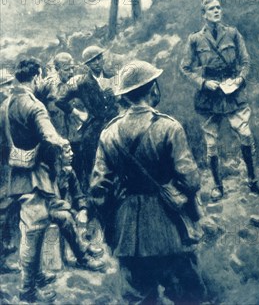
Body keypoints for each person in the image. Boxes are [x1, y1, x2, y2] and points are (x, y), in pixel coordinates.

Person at [90, 60, 206, 304]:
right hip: (169, 229)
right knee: (189, 295)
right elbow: (190, 179)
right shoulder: (168, 127)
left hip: (128, 232)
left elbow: (98, 189)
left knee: (138, 298)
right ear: (152, 88)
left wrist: (112, 225)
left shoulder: (108, 133)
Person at [180, 0, 259, 201]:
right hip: (209, 96)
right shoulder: (195, 39)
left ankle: (253, 180)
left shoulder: (233, 33)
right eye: (211, 9)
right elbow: (185, 67)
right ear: (204, 14)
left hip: (233, 92)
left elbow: (246, 61)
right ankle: (218, 186)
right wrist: (202, 82)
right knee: (211, 144)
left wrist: (240, 79)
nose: (217, 11)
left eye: (219, 7)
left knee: (246, 135)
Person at [0, 58, 72, 302]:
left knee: (36, 225)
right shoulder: (34, 106)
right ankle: (27, 291)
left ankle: (38, 275)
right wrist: (64, 144)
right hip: (34, 176)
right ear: (37, 77)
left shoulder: (5, 103)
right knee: (33, 231)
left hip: (16, 172)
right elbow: (49, 136)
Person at [54, 48, 118, 194]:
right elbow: (60, 100)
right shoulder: (82, 83)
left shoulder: (114, 77)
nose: (97, 63)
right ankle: (93, 199)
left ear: (103, 59)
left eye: (99, 58)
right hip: (95, 128)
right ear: (87, 64)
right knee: (92, 164)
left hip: (115, 124)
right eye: (92, 61)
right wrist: (77, 112)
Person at [0, 68, 20, 275]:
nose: (9, 89)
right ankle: (3, 258)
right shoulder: (3, 108)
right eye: (6, 85)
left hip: (5, 164)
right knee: (4, 209)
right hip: (3, 166)